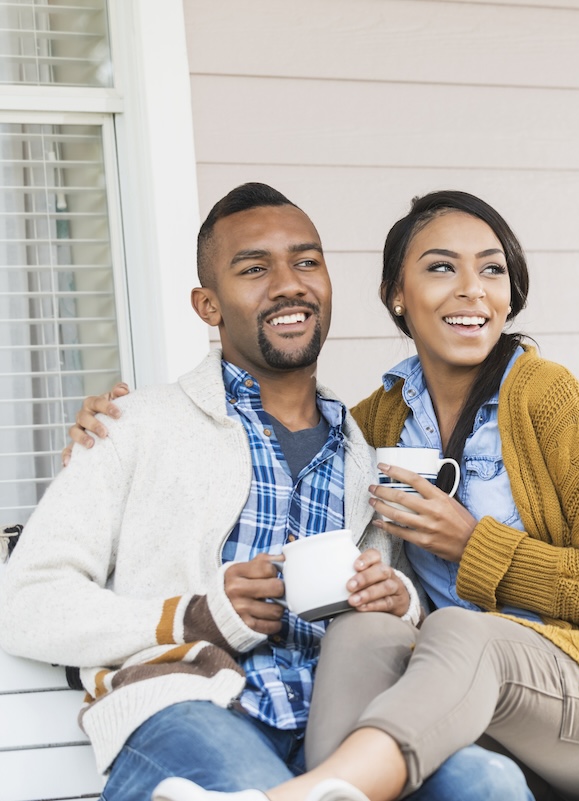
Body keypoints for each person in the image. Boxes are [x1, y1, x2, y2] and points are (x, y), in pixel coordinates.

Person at [71, 191, 579, 801]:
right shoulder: (374, 427)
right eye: (440, 268)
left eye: (492, 269)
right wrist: (113, 438)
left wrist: (472, 545)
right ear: (395, 296)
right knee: (361, 633)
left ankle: (295, 797)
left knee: (464, 630)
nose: (471, 290)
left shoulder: (546, 399)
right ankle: (335, 788)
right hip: (469, 714)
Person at [0, 183, 530, 801]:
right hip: (191, 709)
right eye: (255, 269)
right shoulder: (134, 427)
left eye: (307, 262)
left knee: (488, 783)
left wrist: (400, 602)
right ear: (208, 305)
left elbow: (414, 606)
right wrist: (195, 614)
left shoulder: (370, 450)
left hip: (344, 724)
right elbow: (28, 601)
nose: (289, 284)